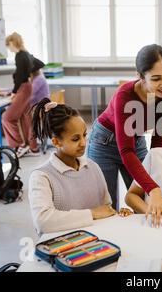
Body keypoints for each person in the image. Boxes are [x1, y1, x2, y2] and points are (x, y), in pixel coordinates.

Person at [87, 44, 162, 227]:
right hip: (105, 142)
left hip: (135, 141)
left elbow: (158, 138)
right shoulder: (125, 96)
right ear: (140, 76)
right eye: (155, 79)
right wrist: (153, 188)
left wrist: (154, 169)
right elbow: (126, 150)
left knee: (144, 197)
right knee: (107, 206)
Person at [29, 98, 132, 235]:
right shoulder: (41, 176)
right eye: (76, 139)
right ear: (56, 142)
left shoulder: (93, 167)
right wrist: (92, 213)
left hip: (96, 241)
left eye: (84, 135)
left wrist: (118, 215)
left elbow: (106, 208)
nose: (84, 143)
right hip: (64, 246)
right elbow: (42, 222)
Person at [2, 32, 39, 158]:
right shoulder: (27, 54)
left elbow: (20, 77)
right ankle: (33, 148)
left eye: (9, 45)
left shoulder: (19, 55)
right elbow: (38, 65)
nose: (9, 48)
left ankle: (20, 145)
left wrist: (14, 92)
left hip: (23, 88)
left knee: (7, 118)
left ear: (12, 43)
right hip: (28, 86)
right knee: (26, 118)